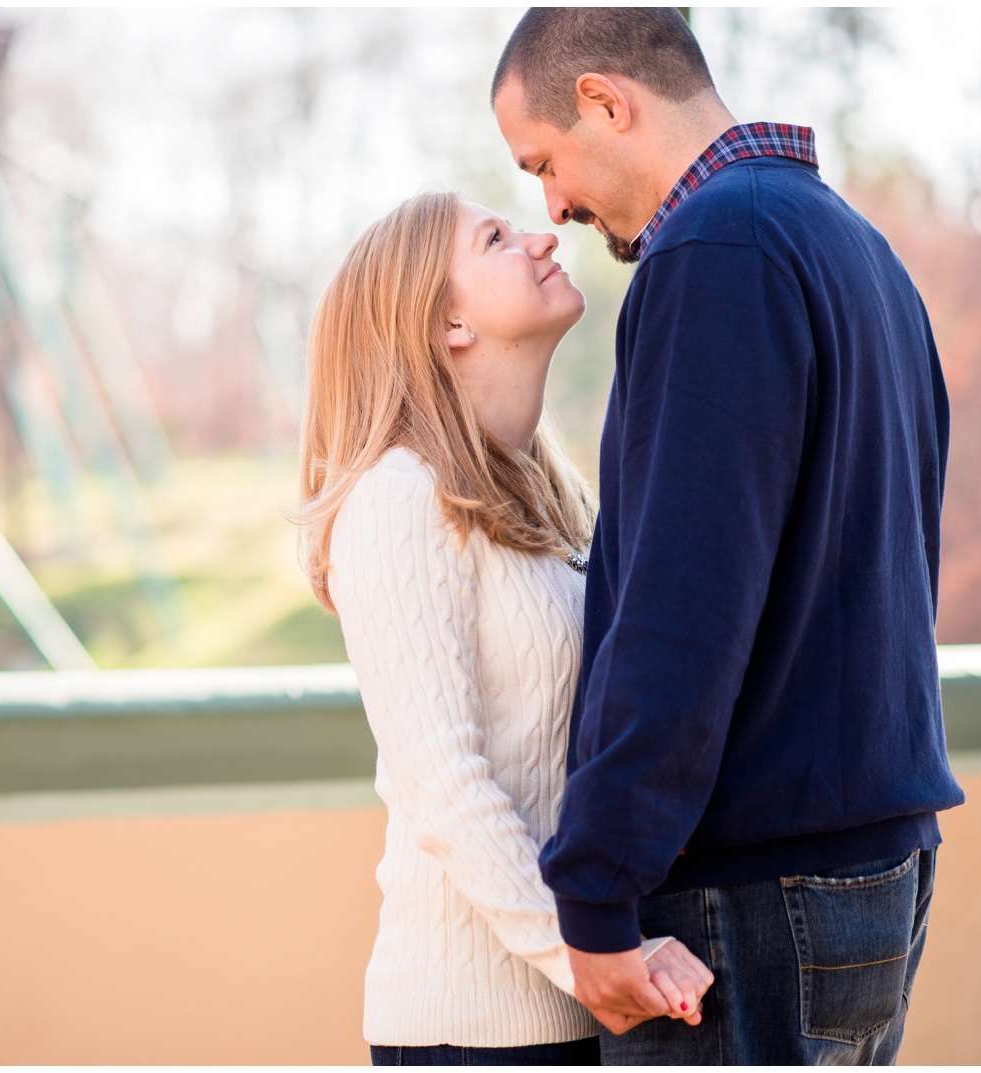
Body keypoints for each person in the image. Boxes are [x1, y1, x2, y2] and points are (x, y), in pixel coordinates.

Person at [489, 8, 965, 1065]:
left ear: (605, 102)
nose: (553, 205)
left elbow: (681, 605)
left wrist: (598, 885)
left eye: (544, 161)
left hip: (752, 891)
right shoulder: (853, 246)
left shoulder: (713, 253)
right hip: (866, 861)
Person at [295, 191, 713, 1067]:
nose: (540, 233)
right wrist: (592, 956)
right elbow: (446, 783)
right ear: (446, 320)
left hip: (576, 1015)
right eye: (495, 237)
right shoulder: (398, 498)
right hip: (473, 1032)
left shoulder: (551, 493)